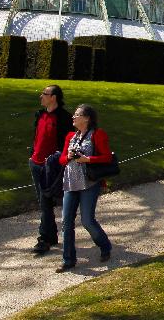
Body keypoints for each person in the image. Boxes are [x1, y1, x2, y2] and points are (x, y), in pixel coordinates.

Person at [56, 104, 113, 272]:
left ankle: (105, 246)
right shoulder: (70, 136)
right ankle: (68, 260)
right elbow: (61, 160)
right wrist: (68, 157)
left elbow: (106, 158)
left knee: (87, 220)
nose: (73, 117)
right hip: (70, 183)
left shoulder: (97, 134)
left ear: (87, 118)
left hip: (89, 183)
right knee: (66, 222)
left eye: (77, 115)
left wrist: (87, 159)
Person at [29, 85, 72, 255]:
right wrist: (32, 155)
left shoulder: (64, 118)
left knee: (45, 201)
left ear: (53, 97)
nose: (41, 96)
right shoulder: (40, 115)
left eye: (44, 94)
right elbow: (37, 136)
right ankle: (50, 236)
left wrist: (57, 162)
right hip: (36, 162)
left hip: (51, 166)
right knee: (43, 201)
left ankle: (45, 238)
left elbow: (67, 143)